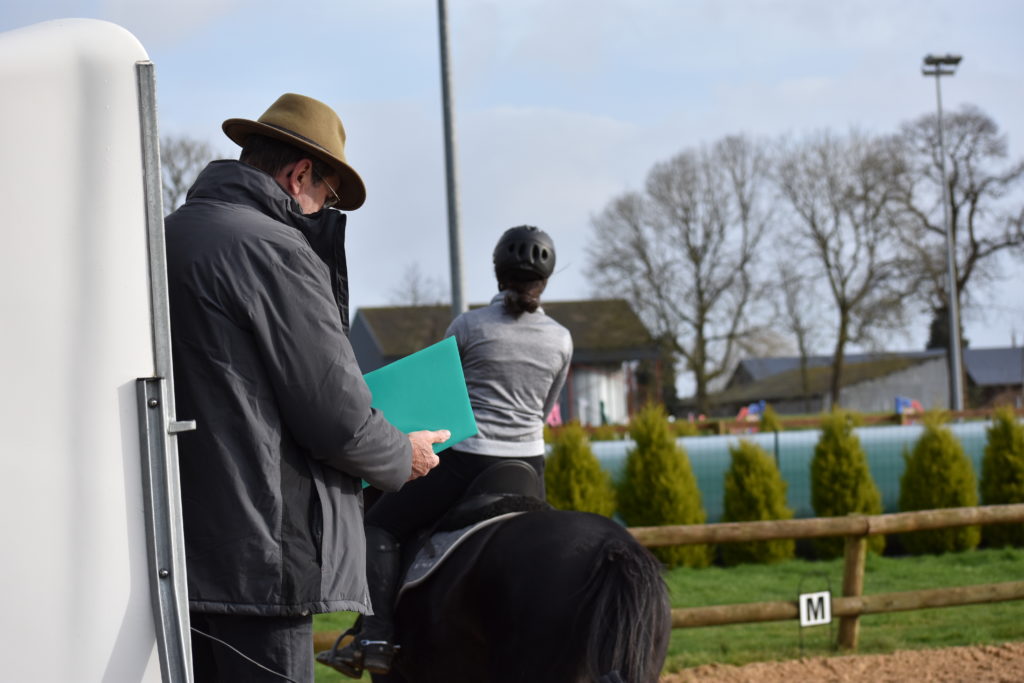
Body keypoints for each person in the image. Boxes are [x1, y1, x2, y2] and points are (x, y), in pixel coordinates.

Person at [164, 93, 448, 683]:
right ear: (298, 176)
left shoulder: (165, 237)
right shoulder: (276, 250)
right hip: (262, 553)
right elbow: (334, 415)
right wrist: (403, 453)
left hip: (174, 552)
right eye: (328, 195)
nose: (323, 210)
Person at [322, 225, 573, 678]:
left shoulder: (469, 326)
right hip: (528, 467)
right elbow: (547, 406)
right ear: (545, 280)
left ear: (498, 274)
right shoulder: (561, 339)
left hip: (468, 461)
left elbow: (448, 392)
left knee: (379, 528)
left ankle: (376, 637)